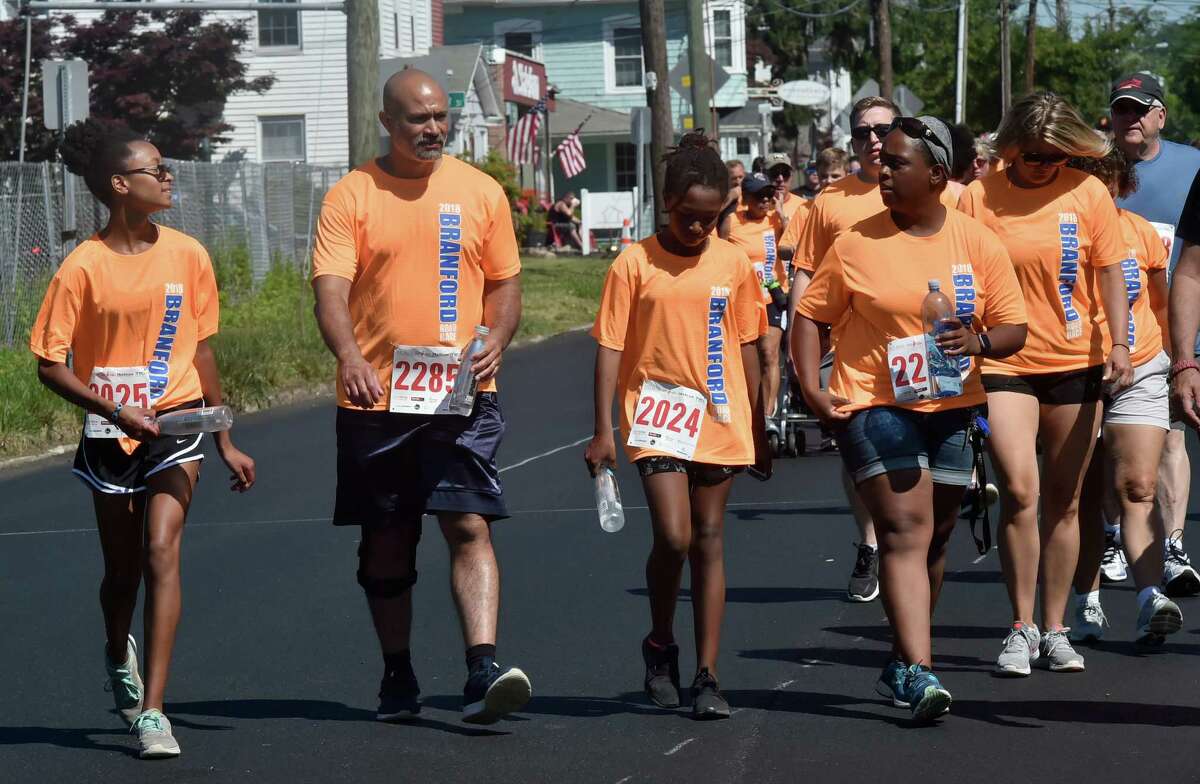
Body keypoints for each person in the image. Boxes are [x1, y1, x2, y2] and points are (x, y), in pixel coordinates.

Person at [30, 118, 257, 758]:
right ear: (119, 184)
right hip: (110, 429)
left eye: (165, 167)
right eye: (154, 169)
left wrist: (226, 436)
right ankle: (115, 650)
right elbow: (50, 365)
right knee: (122, 569)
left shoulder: (188, 254)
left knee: (162, 549)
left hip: (177, 421)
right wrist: (114, 408)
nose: (167, 176)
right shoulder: (81, 267)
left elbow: (202, 349)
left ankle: (154, 712)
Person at [310, 69, 531, 726]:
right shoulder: (352, 196)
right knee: (387, 540)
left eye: (440, 117)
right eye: (417, 119)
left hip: (461, 395)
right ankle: (397, 670)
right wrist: (349, 356)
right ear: (388, 122)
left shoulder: (480, 190)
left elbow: (505, 283)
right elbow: (329, 290)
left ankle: (482, 667)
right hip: (378, 400)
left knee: (467, 523)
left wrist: (498, 336)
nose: (432, 129)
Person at [793, 116, 1027, 721]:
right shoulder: (854, 243)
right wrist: (811, 390)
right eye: (883, 161)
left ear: (938, 175)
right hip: (874, 401)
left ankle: (901, 658)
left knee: (937, 536)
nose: (884, 170)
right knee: (902, 529)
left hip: (954, 406)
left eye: (898, 163)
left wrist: (977, 344)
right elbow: (810, 317)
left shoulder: (978, 242)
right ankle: (921, 672)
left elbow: (1012, 327)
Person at [585, 130, 769, 720]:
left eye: (712, 219)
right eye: (690, 217)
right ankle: (660, 641)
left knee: (710, 539)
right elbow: (610, 347)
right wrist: (602, 430)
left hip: (719, 414)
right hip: (657, 414)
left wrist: (759, 422)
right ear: (667, 205)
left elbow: (747, 343)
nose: (700, 230)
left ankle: (708, 675)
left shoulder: (734, 261)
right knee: (675, 535)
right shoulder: (634, 263)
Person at [958, 91, 1133, 676]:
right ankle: (1020, 625)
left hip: (1074, 363)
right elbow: (959, 270)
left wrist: (1120, 344)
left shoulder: (1086, 194)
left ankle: (1056, 627)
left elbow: (1108, 272)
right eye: (1031, 154)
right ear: (1009, 148)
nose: (1042, 164)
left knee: (1066, 502)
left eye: (1055, 155)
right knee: (1019, 491)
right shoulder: (977, 197)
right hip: (1005, 363)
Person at [783, 95, 957, 603]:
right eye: (863, 133)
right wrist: (802, 353)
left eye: (884, 130)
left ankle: (913, 538)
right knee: (858, 447)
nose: (874, 141)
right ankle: (870, 541)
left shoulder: (928, 187)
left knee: (926, 449)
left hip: (922, 341)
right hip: (850, 348)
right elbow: (807, 275)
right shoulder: (831, 201)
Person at [1066, 149, 1182, 646]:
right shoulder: (1060, 234)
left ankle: (1149, 596)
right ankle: (1085, 600)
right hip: (1075, 373)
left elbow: (1160, 299)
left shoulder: (1142, 234)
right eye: (1086, 179)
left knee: (1138, 485)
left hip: (1140, 367)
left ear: (1123, 185)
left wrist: (1179, 363)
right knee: (1084, 496)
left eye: (1106, 180)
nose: (1097, 189)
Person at [1109, 71, 1200, 596]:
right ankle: (1113, 536)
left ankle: (1173, 544)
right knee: (1112, 447)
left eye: (1140, 109)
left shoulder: (1192, 166)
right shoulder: (1095, 170)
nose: (1132, 119)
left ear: (1160, 115)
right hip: (1112, 333)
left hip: (1173, 322)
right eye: (1122, 109)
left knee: (1172, 435)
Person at [720, 172, 787, 418]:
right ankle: (747, 407)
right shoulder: (731, 221)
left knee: (768, 353)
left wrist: (782, 215)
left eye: (769, 195)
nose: (765, 200)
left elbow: (796, 247)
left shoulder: (776, 221)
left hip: (772, 296)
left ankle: (767, 413)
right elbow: (718, 255)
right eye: (759, 196)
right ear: (746, 197)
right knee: (743, 356)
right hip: (742, 299)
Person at [718, 159, 746, 228]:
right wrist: (732, 195)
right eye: (734, 178)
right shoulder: (720, 195)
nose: (738, 181)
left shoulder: (751, 193)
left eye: (740, 177)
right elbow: (713, 212)